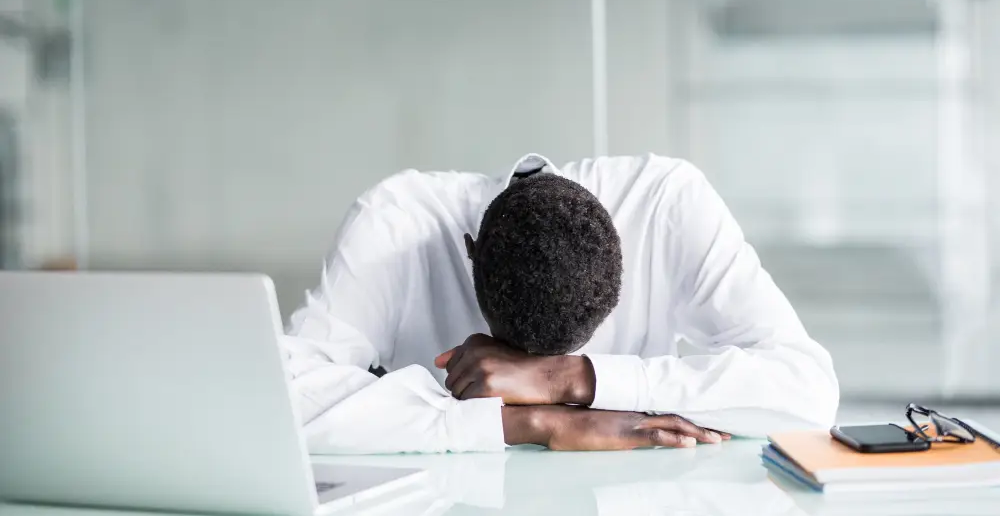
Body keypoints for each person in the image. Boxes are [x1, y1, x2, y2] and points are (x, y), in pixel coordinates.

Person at [282, 153, 839, 454]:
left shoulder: (667, 205)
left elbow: (807, 389)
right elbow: (283, 398)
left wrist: (574, 381)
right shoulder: (398, 219)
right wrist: (530, 423)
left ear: (623, 257)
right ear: (468, 252)